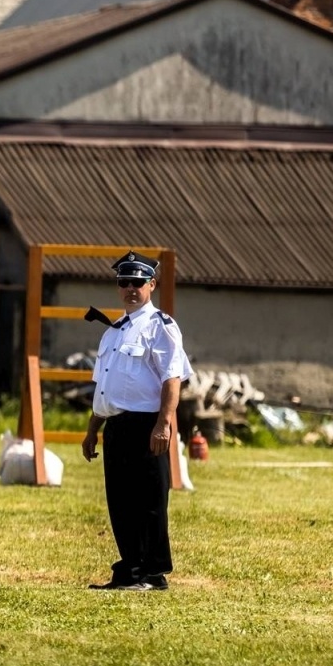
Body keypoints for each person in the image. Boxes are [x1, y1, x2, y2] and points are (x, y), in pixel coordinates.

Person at [81, 251, 192, 591]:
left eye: (138, 282)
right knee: (121, 502)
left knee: (149, 502)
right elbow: (105, 387)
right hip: (116, 426)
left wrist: (165, 423)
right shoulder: (113, 332)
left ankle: (152, 573)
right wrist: (91, 431)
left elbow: (172, 378)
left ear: (151, 285)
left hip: (147, 425)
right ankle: (129, 570)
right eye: (124, 282)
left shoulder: (161, 327)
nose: (130, 288)